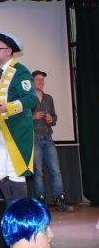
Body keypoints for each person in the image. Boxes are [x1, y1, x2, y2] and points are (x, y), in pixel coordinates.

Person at [0, 32, 37, 205]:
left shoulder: (20, 71)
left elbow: (31, 99)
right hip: (0, 132)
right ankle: (13, 208)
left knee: (16, 172)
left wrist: (9, 107)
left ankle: (18, 214)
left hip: (17, 131)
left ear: (9, 51)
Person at [31, 70, 73, 212]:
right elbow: (22, 118)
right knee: (38, 172)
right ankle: (41, 203)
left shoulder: (49, 98)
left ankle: (60, 201)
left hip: (48, 138)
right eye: (38, 80)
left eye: (42, 80)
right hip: (34, 137)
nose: (41, 82)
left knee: (56, 171)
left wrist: (51, 119)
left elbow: (54, 116)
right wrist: (33, 116)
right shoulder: (28, 98)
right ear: (32, 82)